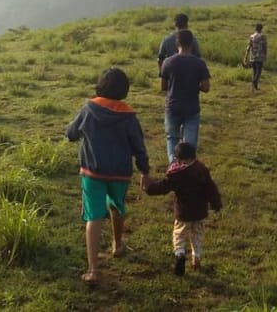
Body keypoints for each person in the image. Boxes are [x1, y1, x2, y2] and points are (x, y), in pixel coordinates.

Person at [65, 67, 151, 285]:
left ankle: (93, 270)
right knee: (116, 206)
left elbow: (71, 134)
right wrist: (145, 171)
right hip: (120, 174)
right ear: (125, 90)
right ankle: (117, 243)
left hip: (92, 173)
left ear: (100, 86)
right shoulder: (129, 116)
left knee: (93, 217)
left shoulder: (89, 109)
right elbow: (138, 147)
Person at [142, 142, 222, 276]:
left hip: (183, 213)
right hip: (200, 212)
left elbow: (163, 187)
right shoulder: (202, 169)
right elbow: (211, 188)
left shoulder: (177, 173)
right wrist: (216, 203)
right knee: (197, 234)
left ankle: (179, 254)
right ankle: (196, 257)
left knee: (179, 235)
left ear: (179, 158)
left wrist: (149, 188)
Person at [160, 29, 211, 163]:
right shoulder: (199, 63)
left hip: (172, 107)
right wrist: (195, 86)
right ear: (192, 43)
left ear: (177, 43)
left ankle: (173, 168)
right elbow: (206, 87)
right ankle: (188, 169)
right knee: (189, 144)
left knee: (172, 138)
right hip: (191, 108)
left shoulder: (168, 62)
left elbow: (163, 86)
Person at [244, 23, 267, 90]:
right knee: (258, 72)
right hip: (260, 56)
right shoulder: (263, 36)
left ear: (255, 28)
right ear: (261, 29)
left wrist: (245, 57)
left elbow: (248, 47)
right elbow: (264, 46)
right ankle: (254, 82)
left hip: (252, 56)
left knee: (254, 72)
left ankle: (254, 86)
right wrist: (265, 55)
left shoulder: (251, 36)